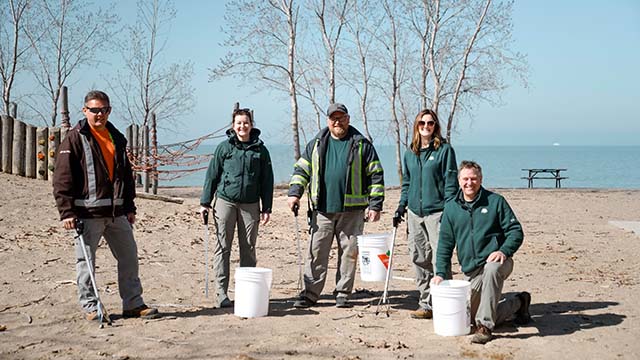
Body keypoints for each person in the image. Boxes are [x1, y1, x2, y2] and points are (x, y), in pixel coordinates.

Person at [53, 90, 159, 321]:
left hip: (117, 213)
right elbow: (62, 178)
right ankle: (92, 308)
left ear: (109, 111)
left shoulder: (116, 137)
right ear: (85, 110)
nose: (99, 114)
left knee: (129, 257)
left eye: (103, 110)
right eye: (94, 110)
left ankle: (133, 304)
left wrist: (129, 207)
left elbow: (126, 176)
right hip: (86, 215)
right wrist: (66, 212)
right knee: (86, 263)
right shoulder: (74, 138)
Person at [288, 103, 384, 309]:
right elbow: (302, 170)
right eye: (333, 118)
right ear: (328, 121)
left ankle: (343, 293)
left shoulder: (361, 144)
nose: (337, 122)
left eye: (341, 118)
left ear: (348, 119)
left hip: (353, 210)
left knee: (349, 253)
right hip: (321, 209)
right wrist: (295, 193)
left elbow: (376, 174)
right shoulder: (316, 143)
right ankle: (310, 293)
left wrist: (375, 205)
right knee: (316, 251)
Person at [433, 160, 531, 344]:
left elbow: (516, 232)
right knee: (468, 317)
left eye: (473, 179)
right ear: (459, 181)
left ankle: (485, 327)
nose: (469, 183)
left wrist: (504, 250)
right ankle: (518, 303)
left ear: (481, 179)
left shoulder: (496, 202)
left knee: (492, 270)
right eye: (465, 179)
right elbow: (445, 244)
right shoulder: (451, 208)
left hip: (498, 262)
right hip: (472, 271)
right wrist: (440, 273)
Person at [200, 108, 274, 308]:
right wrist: (205, 203)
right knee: (223, 246)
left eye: (246, 122)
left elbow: (267, 181)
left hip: (250, 204)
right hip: (225, 202)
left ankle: (246, 292)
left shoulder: (261, 150)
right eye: (239, 123)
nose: (242, 126)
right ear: (233, 126)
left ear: (251, 124)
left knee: (248, 248)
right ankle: (221, 293)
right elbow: (212, 175)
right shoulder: (224, 148)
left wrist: (267, 207)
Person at [393, 109, 458, 319]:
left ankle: (444, 300)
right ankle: (426, 303)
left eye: (430, 123)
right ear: (416, 126)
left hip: (437, 212)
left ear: (435, 126)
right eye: (422, 123)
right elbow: (407, 183)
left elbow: (450, 183)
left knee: (440, 257)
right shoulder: (410, 153)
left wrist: (449, 209)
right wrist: (401, 206)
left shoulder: (445, 150)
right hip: (414, 213)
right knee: (419, 257)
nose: (426, 127)